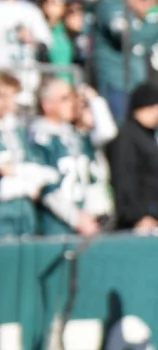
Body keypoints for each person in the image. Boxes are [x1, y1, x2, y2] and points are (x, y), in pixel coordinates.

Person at [101, 82, 158, 234]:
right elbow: (123, 180)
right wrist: (137, 217)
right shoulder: (127, 137)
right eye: (157, 106)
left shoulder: (154, 137)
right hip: (148, 228)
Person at [30, 78, 106, 237]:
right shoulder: (39, 138)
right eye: (65, 98)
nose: (72, 102)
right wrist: (77, 219)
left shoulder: (76, 136)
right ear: (47, 104)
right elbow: (46, 187)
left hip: (85, 224)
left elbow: (107, 132)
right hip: (55, 227)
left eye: (72, 97)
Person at [0, 72, 54, 237]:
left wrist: (21, 173)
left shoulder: (17, 131)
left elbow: (34, 167)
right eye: (2, 96)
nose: (8, 103)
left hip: (24, 210)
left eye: (12, 96)